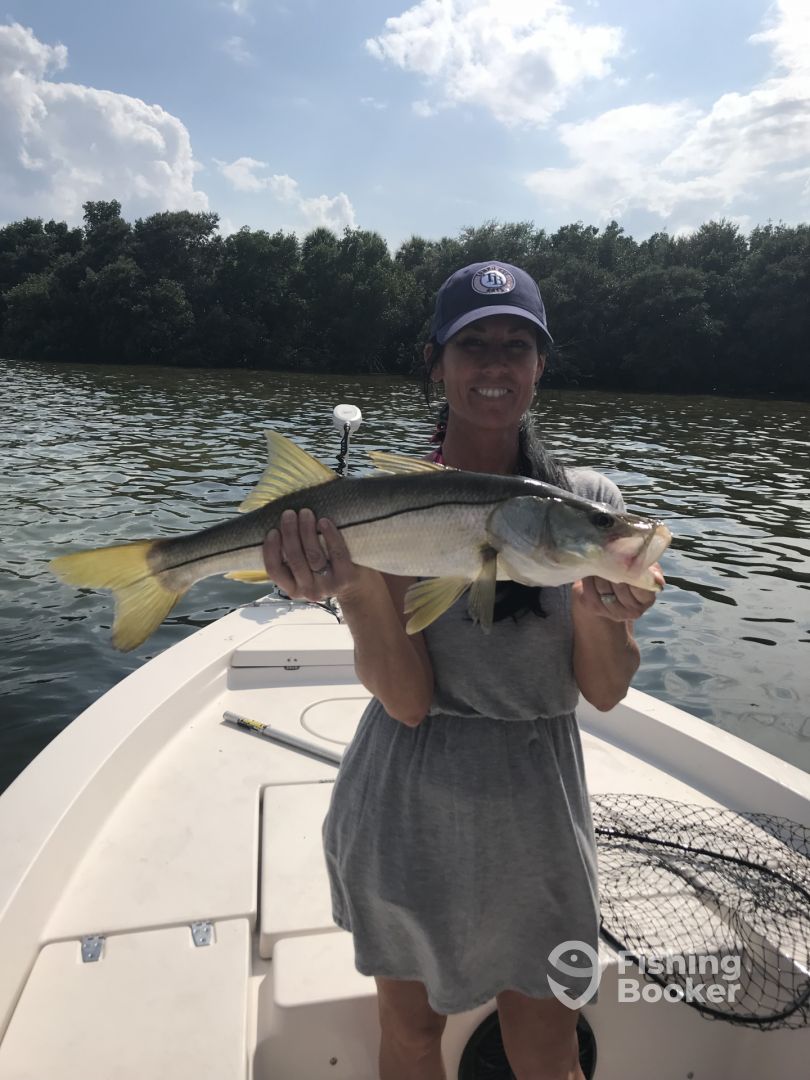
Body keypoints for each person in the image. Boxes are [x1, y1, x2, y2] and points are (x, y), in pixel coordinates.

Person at [261, 261, 665, 1080]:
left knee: (549, 1049)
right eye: (473, 343)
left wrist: (602, 610)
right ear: (436, 363)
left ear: (540, 365)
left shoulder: (587, 502)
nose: (494, 363)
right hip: (407, 796)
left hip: (539, 803)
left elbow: (604, 689)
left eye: (517, 344)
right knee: (411, 1036)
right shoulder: (386, 505)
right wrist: (356, 589)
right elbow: (408, 701)